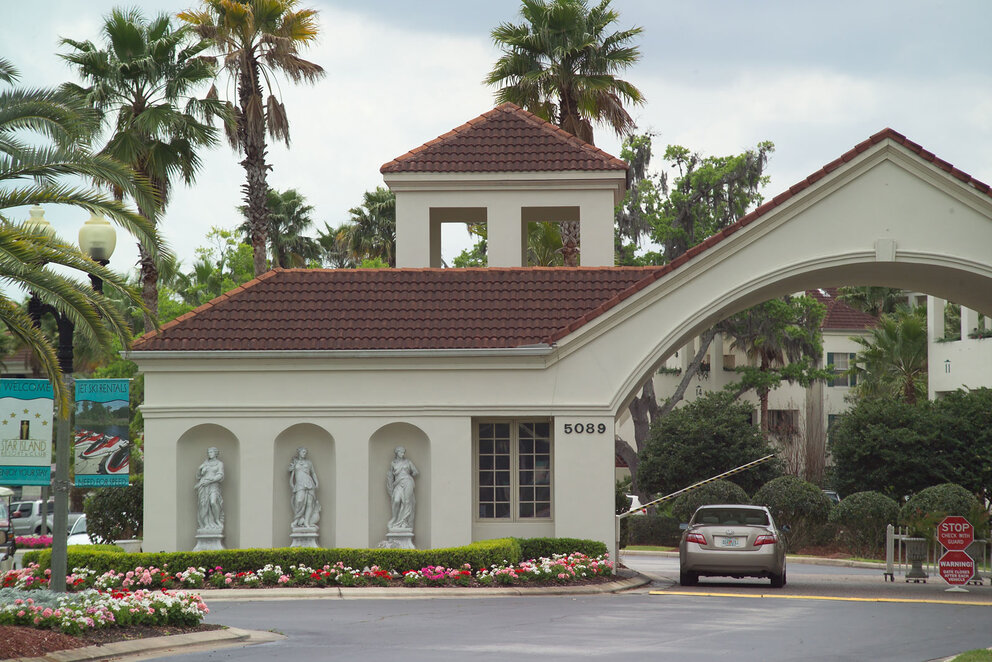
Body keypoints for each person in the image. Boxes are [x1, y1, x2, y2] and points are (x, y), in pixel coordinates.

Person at [386, 446, 418, 531]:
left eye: (403, 452)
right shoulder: (393, 463)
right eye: (401, 452)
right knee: (396, 500)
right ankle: (395, 519)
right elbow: (391, 476)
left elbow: (415, 471)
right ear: (397, 453)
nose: (402, 454)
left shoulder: (408, 462)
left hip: (408, 481)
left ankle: (404, 523)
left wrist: (412, 473)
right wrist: (390, 485)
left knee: (407, 501)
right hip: (398, 483)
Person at [288, 447, 320, 528]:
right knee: (299, 501)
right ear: (299, 452)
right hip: (299, 484)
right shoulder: (295, 462)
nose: (304, 453)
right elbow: (291, 471)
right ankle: (296, 520)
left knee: (309, 503)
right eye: (303, 452)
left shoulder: (309, 462)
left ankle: (306, 522)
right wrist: (291, 469)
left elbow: (313, 473)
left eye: (305, 452)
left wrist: (316, 482)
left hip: (309, 483)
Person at [194, 447, 224, 532]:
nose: (209, 454)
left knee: (213, 502)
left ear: (215, 453)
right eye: (208, 452)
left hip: (213, 485)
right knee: (203, 504)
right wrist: (200, 469)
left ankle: (217, 520)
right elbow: (198, 476)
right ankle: (205, 524)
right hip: (203, 485)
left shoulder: (219, 464)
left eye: (211, 452)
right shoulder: (205, 463)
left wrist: (211, 480)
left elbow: (220, 475)